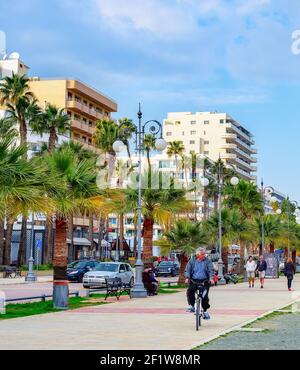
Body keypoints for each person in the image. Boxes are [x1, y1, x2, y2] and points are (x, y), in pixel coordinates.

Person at [185, 247, 214, 319]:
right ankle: (192, 306)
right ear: (197, 254)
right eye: (202, 254)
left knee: (204, 296)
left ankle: (205, 311)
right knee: (190, 291)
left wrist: (211, 279)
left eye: (204, 254)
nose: (204, 255)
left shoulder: (207, 261)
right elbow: (187, 270)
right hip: (194, 281)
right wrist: (187, 278)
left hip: (205, 281)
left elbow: (211, 270)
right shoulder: (192, 261)